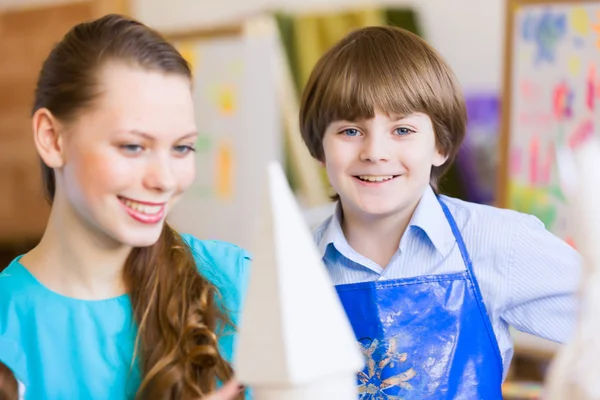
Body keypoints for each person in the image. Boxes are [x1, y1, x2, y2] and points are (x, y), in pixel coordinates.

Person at [299, 26, 581, 398]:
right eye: (351, 131)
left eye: (402, 129)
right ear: (319, 148)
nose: (375, 152)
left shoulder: (498, 241)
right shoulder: (293, 264)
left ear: (440, 146)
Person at [0, 14, 249, 400]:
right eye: (133, 146)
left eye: (181, 147)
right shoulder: (8, 323)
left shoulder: (241, 283)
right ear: (52, 139)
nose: (164, 179)